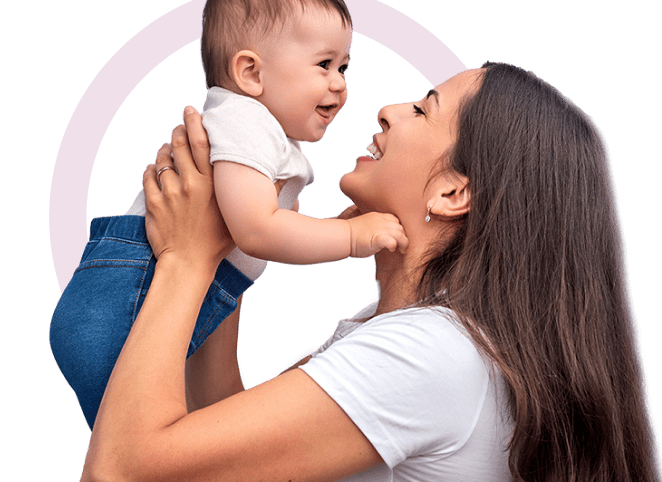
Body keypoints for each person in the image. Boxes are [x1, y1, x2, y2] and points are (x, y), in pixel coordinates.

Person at [79, 63, 658, 481]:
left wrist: (185, 260)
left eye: (423, 108)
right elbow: (222, 458)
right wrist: (225, 256)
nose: (388, 108)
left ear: (454, 191)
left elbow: (123, 471)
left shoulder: (430, 355)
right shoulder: (400, 332)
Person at [49, 0, 406, 430]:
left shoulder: (267, 136)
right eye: (323, 65)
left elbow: (254, 234)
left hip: (141, 301)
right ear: (251, 73)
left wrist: (333, 229)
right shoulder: (244, 122)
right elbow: (256, 229)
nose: (340, 85)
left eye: (344, 66)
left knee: (165, 445)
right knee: (142, 455)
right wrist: (355, 238)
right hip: (126, 299)